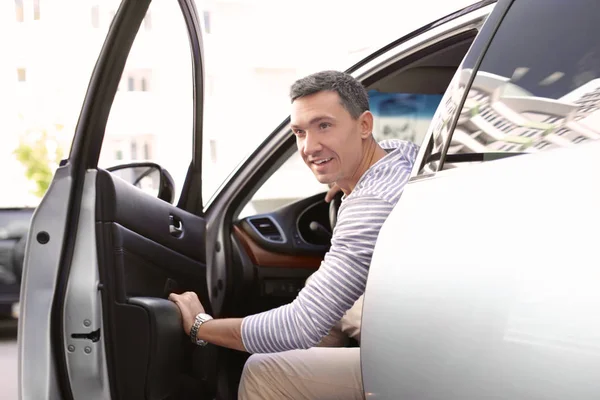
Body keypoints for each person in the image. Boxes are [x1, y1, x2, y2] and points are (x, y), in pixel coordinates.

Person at [169, 70, 418, 399]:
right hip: (428, 325)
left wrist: (201, 326)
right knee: (338, 309)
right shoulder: (399, 160)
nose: (309, 147)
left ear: (364, 125)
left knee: (262, 371)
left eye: (324, 126)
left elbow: (299, 324)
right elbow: (390, 153)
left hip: (421, 363)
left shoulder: (372, 204)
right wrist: (347, 181)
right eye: (300, 132)